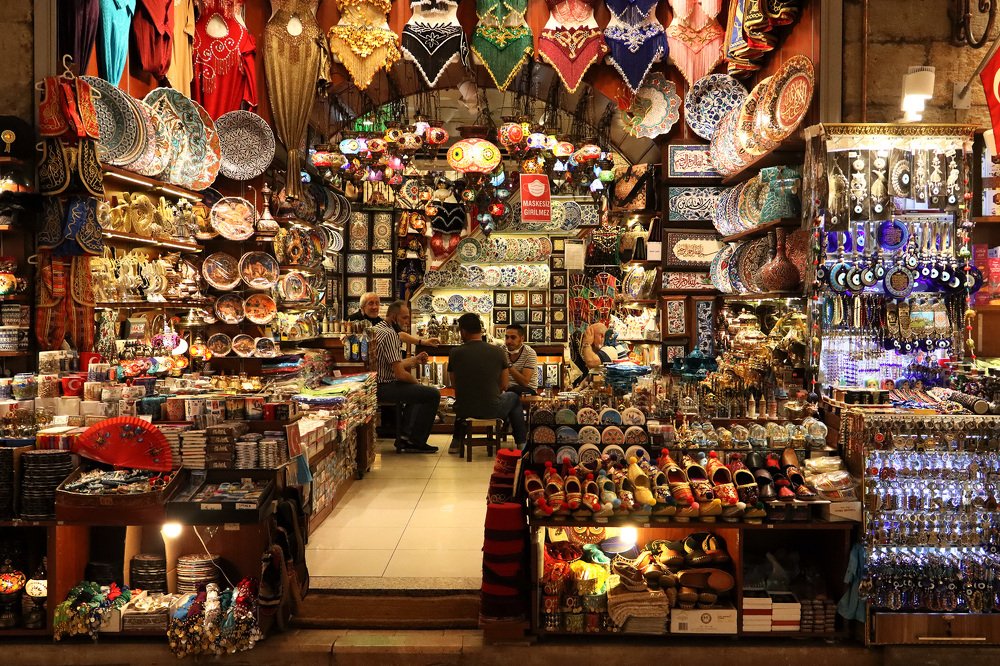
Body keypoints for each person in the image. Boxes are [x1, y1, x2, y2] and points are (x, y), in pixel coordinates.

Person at [447, 314, 527, 453]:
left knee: (465, 400)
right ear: (481, 330)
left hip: (463, 410)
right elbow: (504, 385)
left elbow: (454, 384)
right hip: (492, 409)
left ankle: (456, 442)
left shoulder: (455, 352)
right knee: (513, 398)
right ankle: (521, 443)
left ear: (463, 331)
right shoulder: (498, 352)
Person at [372, 301, 440, 453]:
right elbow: (400, 374)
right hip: (384, 386)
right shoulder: (390, 335)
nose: (407, 322)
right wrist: (418, 384)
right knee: (431, 394)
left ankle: (405, 436)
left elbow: (392, 363)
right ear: (395, 317)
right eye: (404, 318)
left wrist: (414, 360)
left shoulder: (378, 329)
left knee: (416, 392)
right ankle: (415, 441)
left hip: (375, 384)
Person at [348, 292, 440, 346]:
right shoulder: (350, 321)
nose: (375, 307)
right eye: (371, 303)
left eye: (377, 303)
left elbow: (399, 334)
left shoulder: (380, 321)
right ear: (362, 306)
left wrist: (423, 342)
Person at [503, 324, 537, 396]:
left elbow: (524, 382)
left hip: (527, 390)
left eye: (513, 338)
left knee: (512, 391)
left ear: (522, 339)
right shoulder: (502, 350)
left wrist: (508, 365)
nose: (508, 341)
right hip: (506, 388)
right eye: (507, 337)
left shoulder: (529, 353)